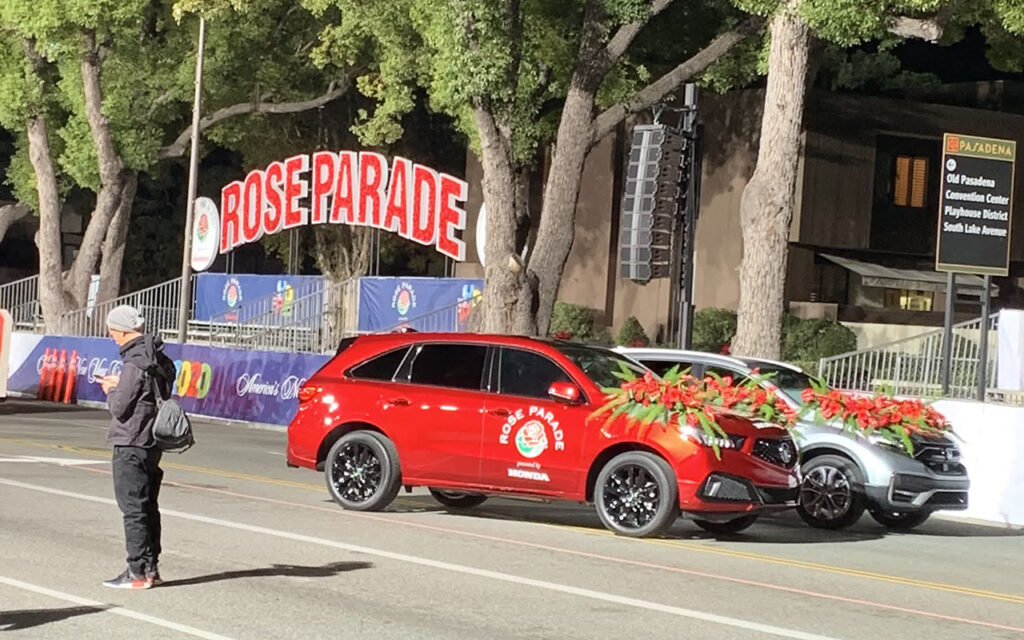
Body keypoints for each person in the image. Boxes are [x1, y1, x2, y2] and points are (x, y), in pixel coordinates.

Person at [98, 305, 177, 590]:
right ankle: (151, 567)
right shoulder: (159, 357)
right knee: (148, 505)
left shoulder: (133, 362)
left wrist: (111, 389)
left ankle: (136, 571)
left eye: (112, 333)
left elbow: (120, 407)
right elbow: (157, 392)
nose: (112, 338)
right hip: (152, 441)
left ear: (121, 331)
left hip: (130, 440)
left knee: (132, 508)